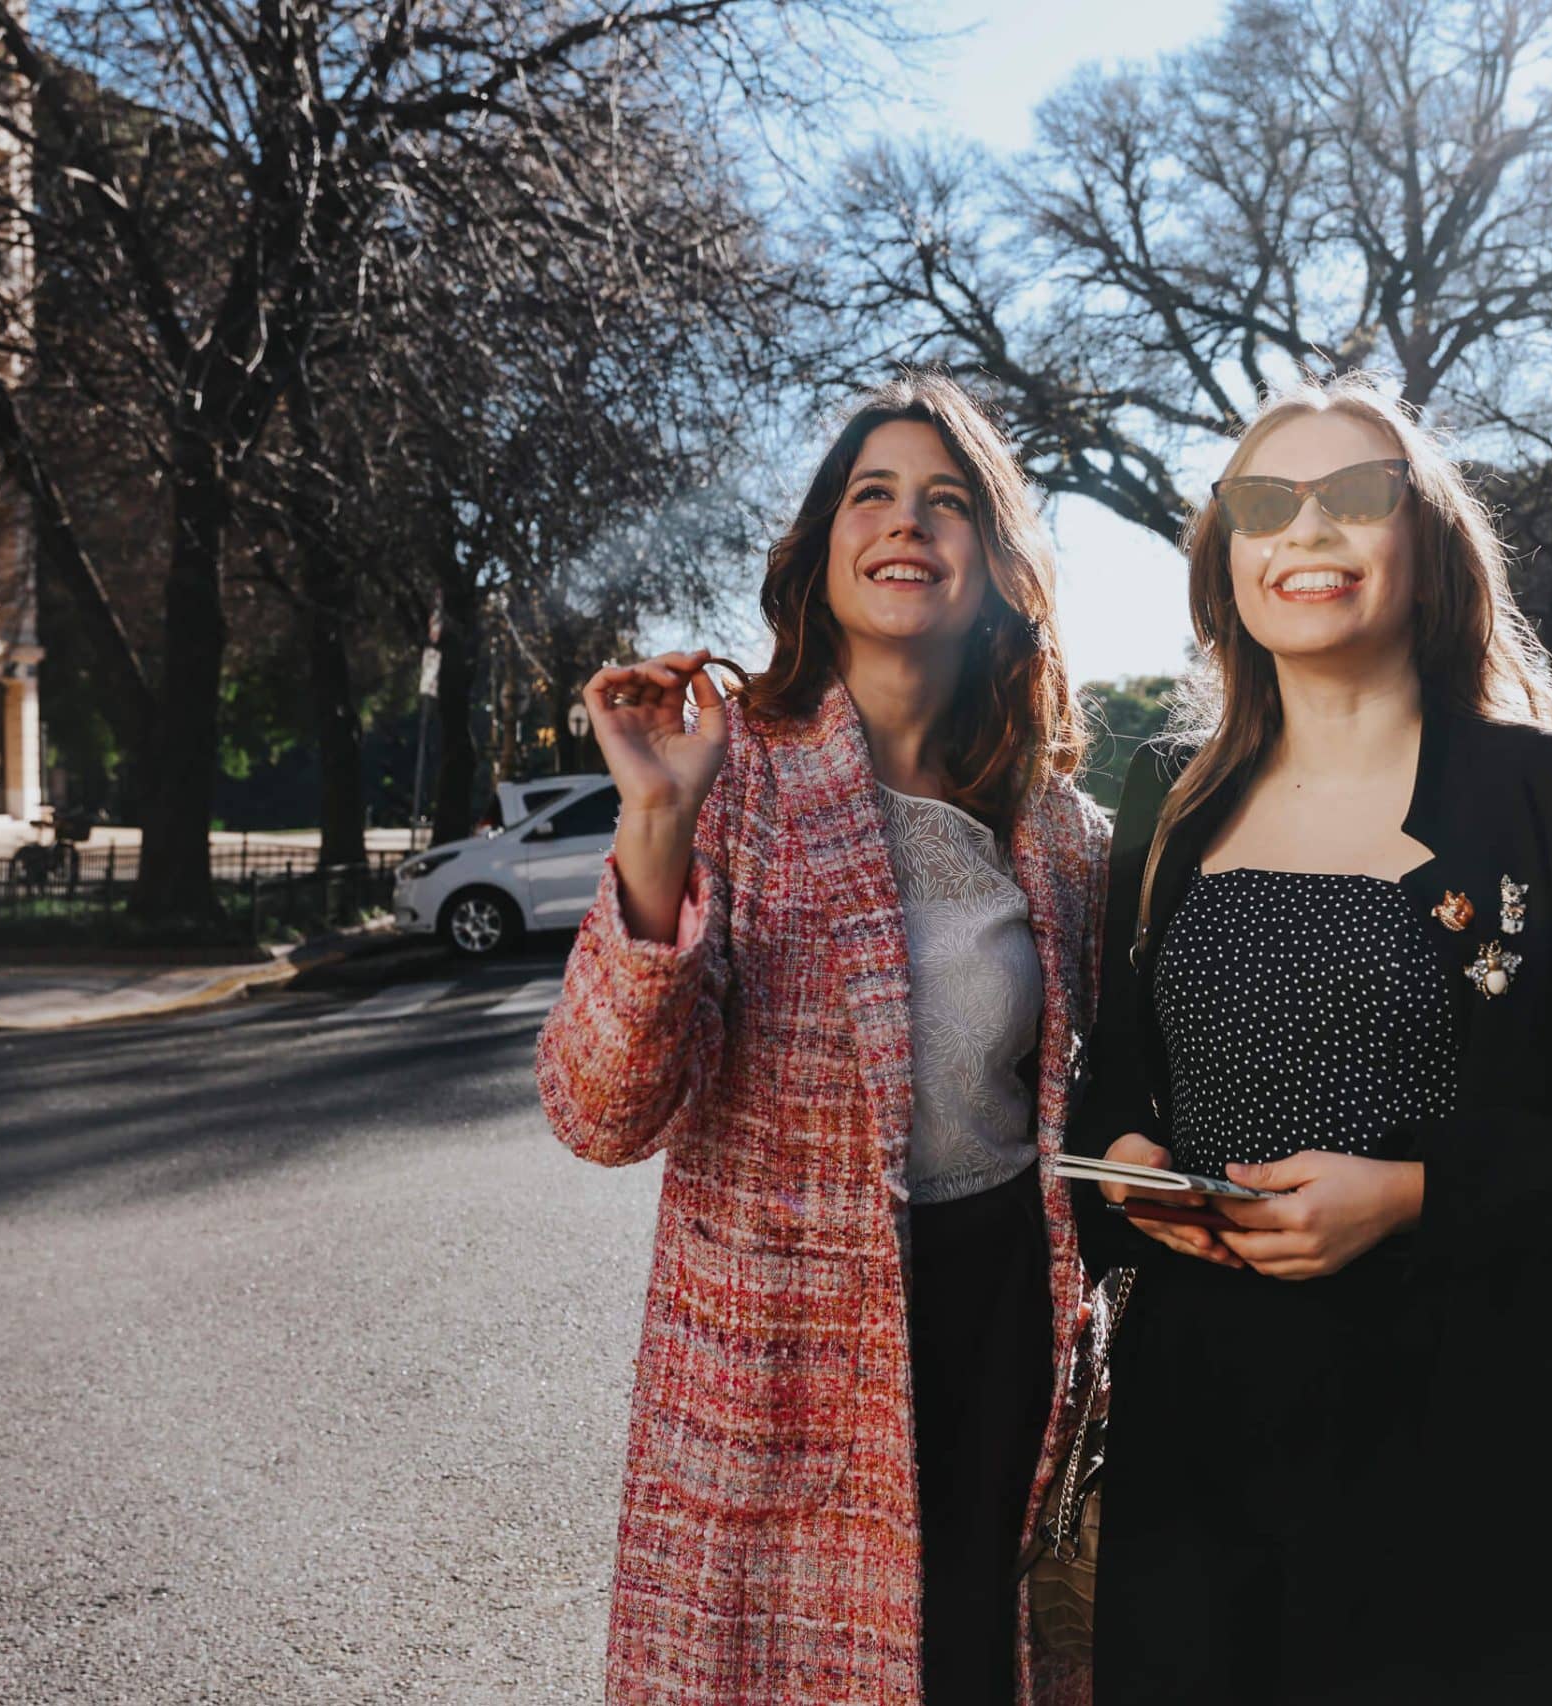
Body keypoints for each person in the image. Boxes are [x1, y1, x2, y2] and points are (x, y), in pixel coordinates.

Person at [1070, 374, 1552, 1703]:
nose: (1305, 530)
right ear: (1225, 557)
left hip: (1471, 1446)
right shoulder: (1167, 799)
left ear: (1429, 544)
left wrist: (1408, 1195)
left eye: (1354, 495)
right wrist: (1125, 1167)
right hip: (1202, 1452)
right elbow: (1113, 1086)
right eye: (1262, 503)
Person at [535, 372, 1105, 1705]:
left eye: (948, 500)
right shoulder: (730, 774)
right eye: (873, 494)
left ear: (995, 559)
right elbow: (601, 1111)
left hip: (1003, 1334)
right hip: (774, 1375)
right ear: (821, 549)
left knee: (984, 1671)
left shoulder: (1058, 827)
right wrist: (657, 827)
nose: (908, 522)